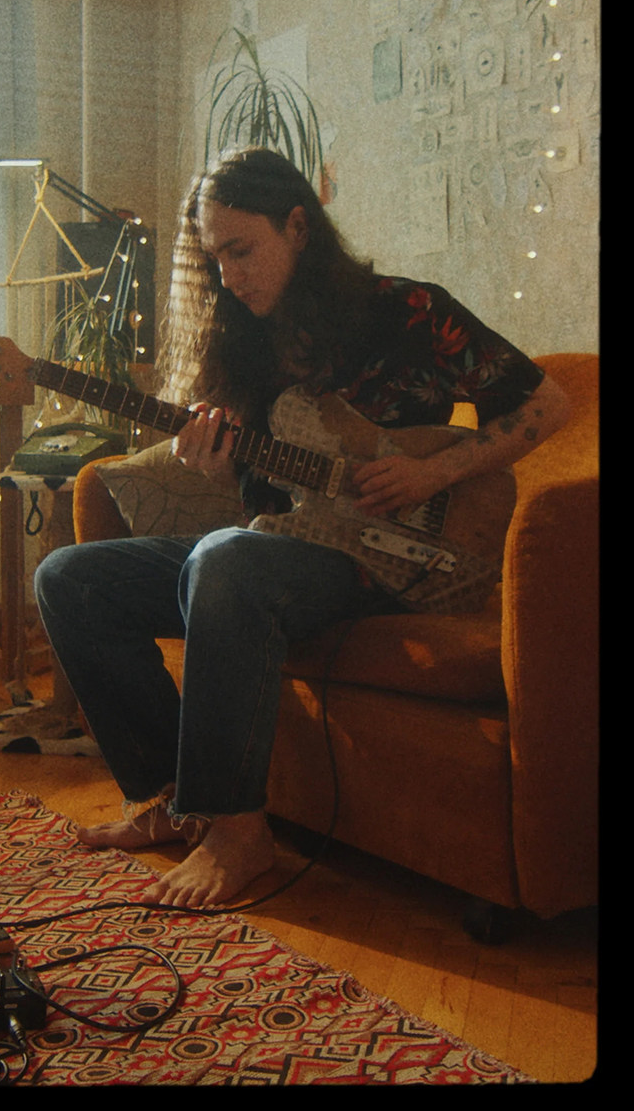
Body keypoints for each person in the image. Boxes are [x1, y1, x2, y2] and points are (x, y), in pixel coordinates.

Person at [34, 147, 570, 910]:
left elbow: (548, 405)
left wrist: (433, 473)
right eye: (215, 258)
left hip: (397, 557)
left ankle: (238, 832)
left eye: (241, 250)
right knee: (70, 578)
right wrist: (217, 462)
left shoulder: (409, 312)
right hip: (289, 545)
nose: (228, 276)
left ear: (297, 226)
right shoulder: (244, 339)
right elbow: (265, 490)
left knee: (225, 559)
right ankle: (167, 799)